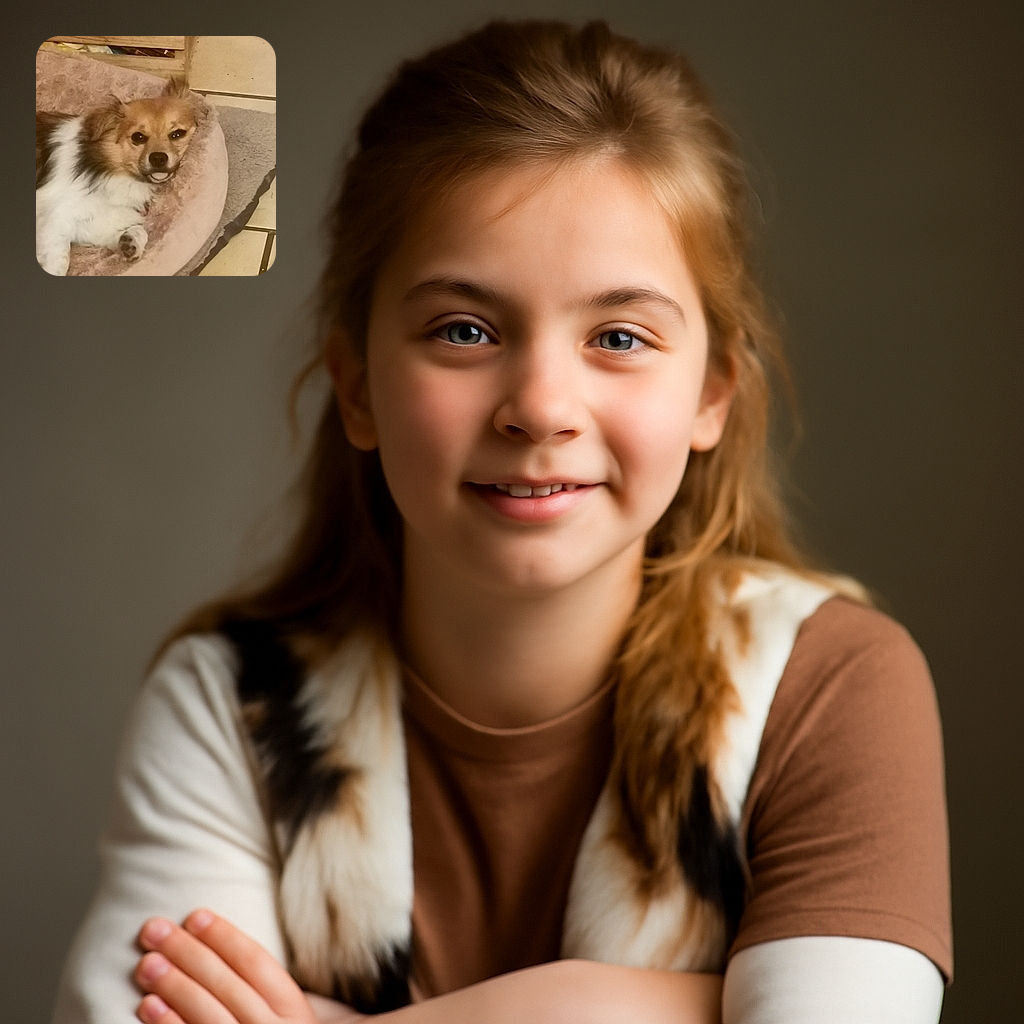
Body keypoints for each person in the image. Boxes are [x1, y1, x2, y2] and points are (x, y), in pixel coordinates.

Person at [52, 19, 951, 1024]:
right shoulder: (227, 700)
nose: (540, 406)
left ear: (711, 393)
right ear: (356, 388)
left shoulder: (828, 686)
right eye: (464, 329)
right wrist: (693, 1007)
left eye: (618, 335)